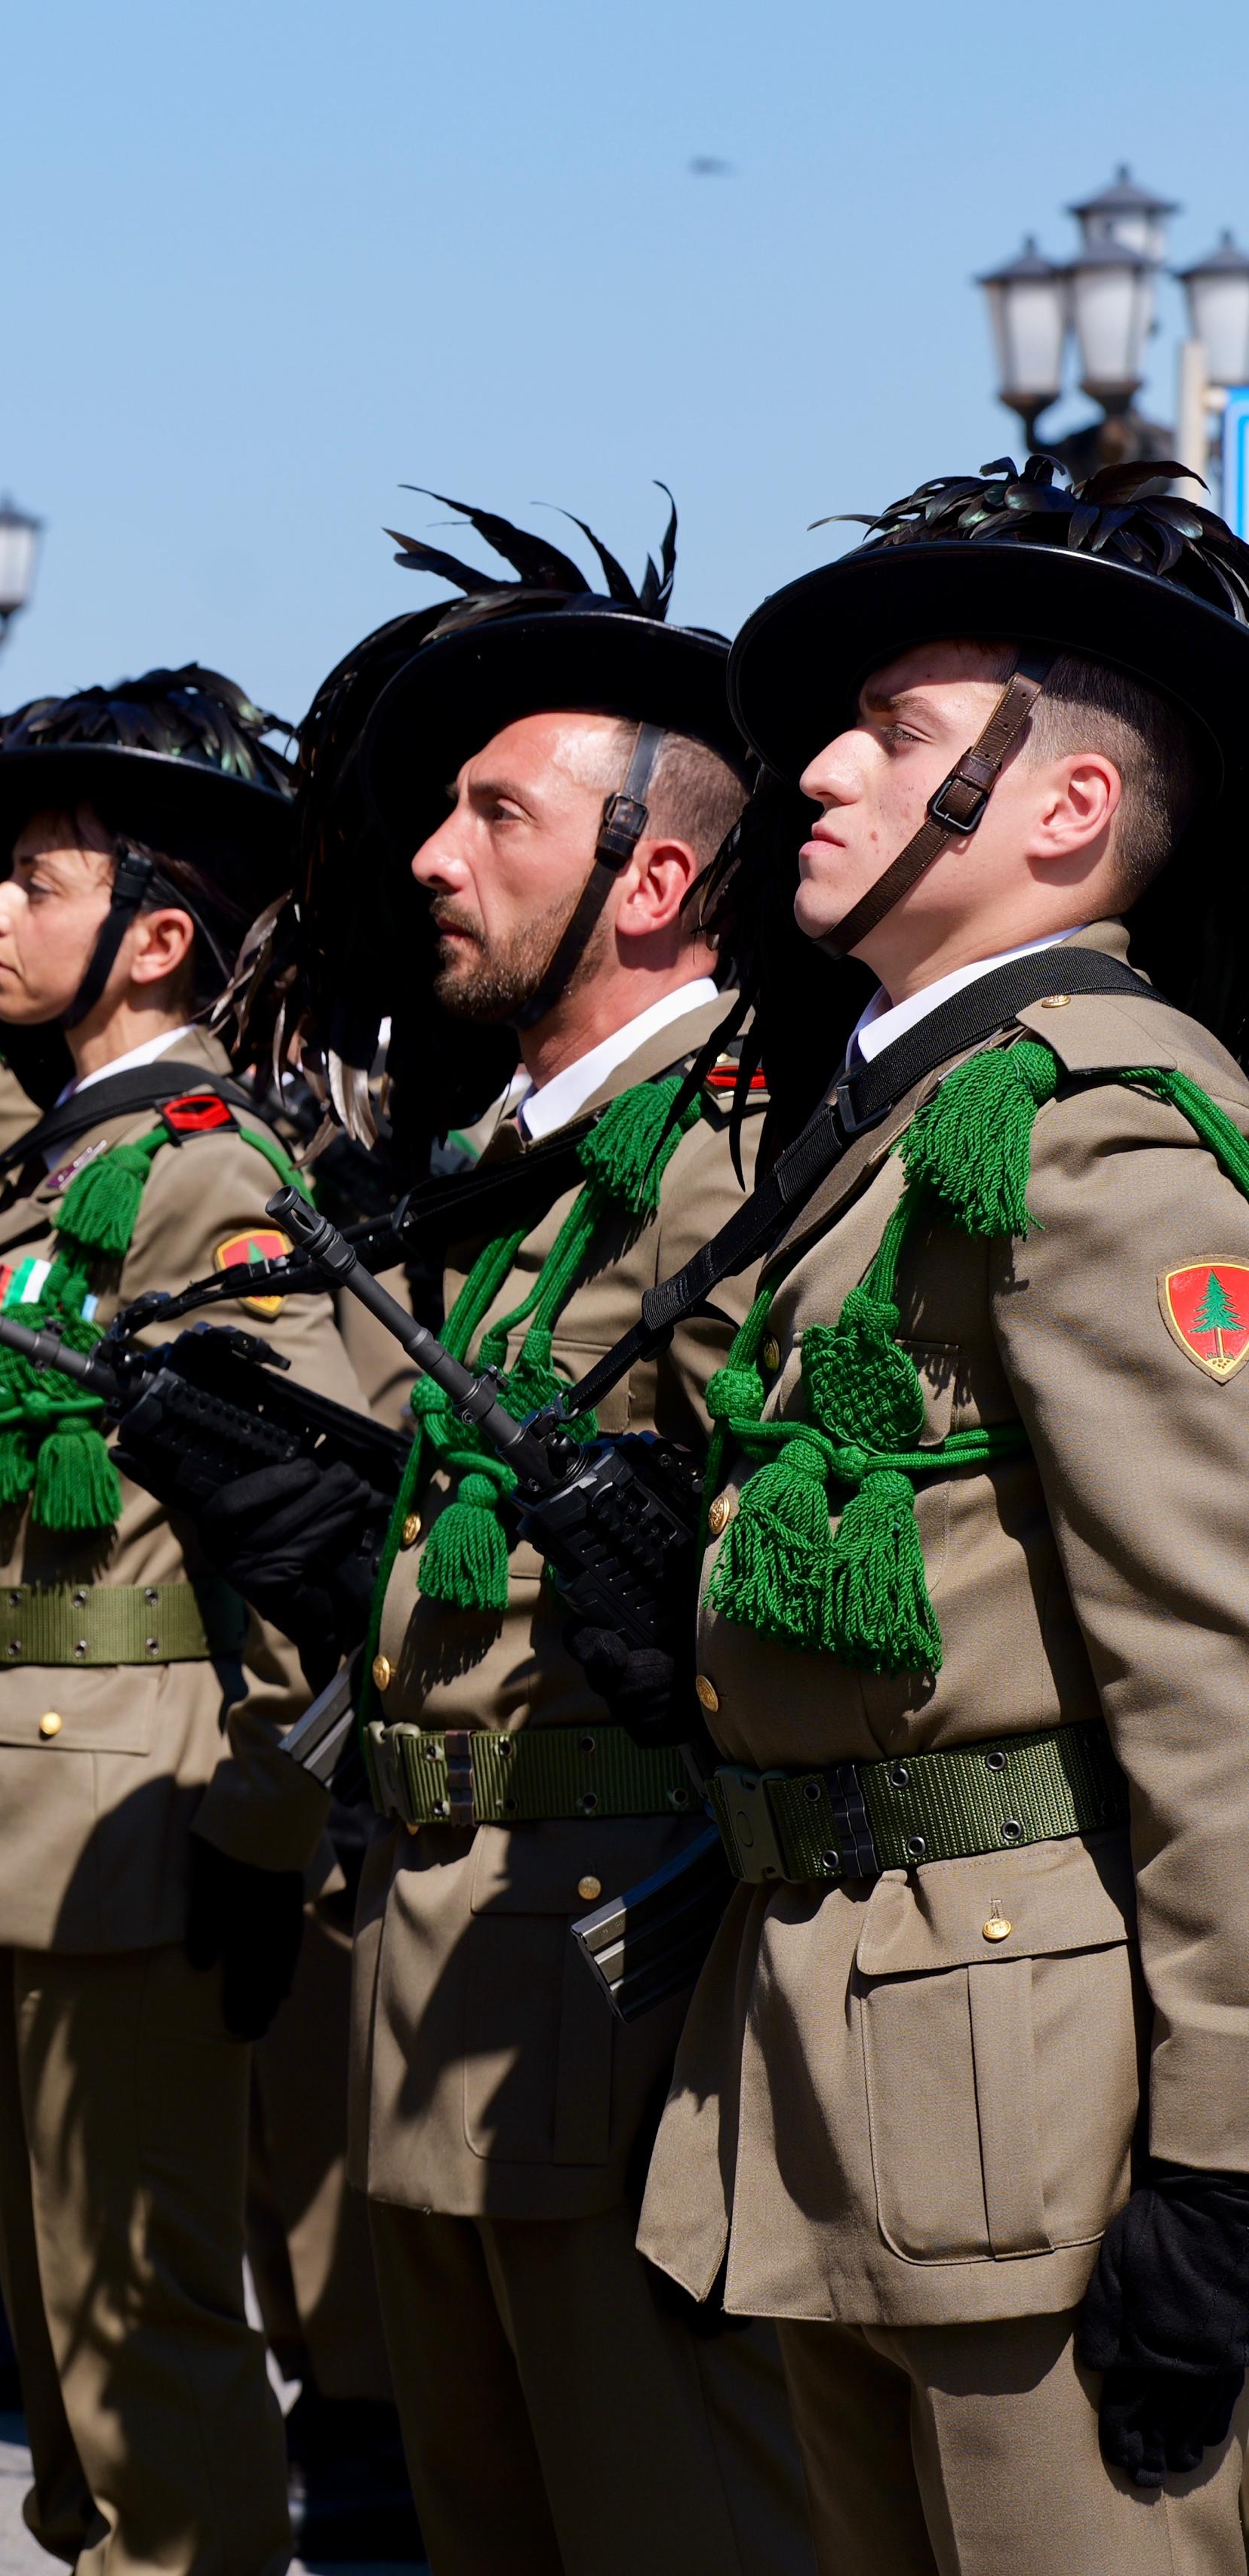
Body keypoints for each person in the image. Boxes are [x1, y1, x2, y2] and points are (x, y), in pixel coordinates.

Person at [641, 456, 1249, 2573]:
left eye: (894, 732)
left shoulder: (1089, 1132)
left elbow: (1221, 1679)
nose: (811, 771)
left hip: (1055, 2116)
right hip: (866, 2068)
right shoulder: (899, 1120)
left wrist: (1227, 2162)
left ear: (1060, 809)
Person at [282, 500, 812, 2573]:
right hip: (449, 1966)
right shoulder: (528, 1172)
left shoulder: (722, 1165)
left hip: (616, 1985)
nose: (434, 852)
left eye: (496, 812)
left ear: (654, 874)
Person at [0, 666, 352, 2572]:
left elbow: (295, 1544)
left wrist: (256, 1823)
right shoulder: (61, 1165)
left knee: (141, 2332)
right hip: (5, 1803)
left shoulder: (209, 1175)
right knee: (69, 2359)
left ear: (157, 938)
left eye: (33, 882)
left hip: (132, 1819)